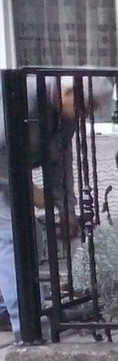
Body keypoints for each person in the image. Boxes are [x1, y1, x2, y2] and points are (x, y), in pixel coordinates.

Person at [0, 80, 85, 332]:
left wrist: (66, 208)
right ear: (66, 93)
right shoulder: (21, 99)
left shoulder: (66, 114)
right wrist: (25, 187)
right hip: (5, 173)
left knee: (28, 236)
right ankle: (27, 323)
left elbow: (59, 162)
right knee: (12, 237)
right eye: (86, 105)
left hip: (10, 173)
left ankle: (7, 311)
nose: (88, 113)